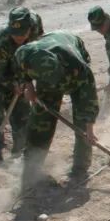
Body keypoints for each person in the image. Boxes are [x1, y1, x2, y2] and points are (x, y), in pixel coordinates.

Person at [15, 31, 99, 186]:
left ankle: (80, 168)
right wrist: (29, 87)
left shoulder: (78, 67)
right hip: (51, 63)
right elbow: (21, 69)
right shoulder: (25, 54)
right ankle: (32, 168)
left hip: (73, 66)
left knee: (82, 126)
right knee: (41, 120)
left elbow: (89, 99)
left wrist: (90, 128)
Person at [0, 6, 44, 163]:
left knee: (22, 113)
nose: (19, 38)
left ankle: (21, 152)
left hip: (18, 67)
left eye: (23, 34)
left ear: (30, 28)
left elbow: (36, 49)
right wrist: (12, 84)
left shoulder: (35, 24)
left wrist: (25, 80)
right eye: (15, 35)